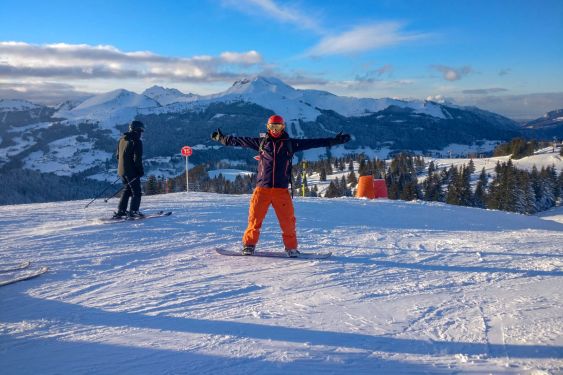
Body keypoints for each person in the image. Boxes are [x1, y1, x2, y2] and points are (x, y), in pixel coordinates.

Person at [211, 114, 351, 257]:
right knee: (254, 220)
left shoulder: (290, 143)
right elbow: (240, 141)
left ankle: (291, 248)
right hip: (262, 190)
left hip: (281, 191)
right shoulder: (261, 143)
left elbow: (314, 142)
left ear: (283, 127)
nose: (275, 130)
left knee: (288, 222)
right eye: (272, 127)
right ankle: (249, 245)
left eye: (278, 127)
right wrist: (222, 139)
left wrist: (334, 141)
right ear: (268, 127)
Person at [114, 120, 145, 218]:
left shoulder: (122, 139)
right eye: (141, 131)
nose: (141, 133)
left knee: (127, 190)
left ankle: (121, 211)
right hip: (131, 171)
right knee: (137, 192)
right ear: (137, 130)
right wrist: (140, 171)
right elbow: (137, 159)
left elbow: (117, 156)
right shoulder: (136, 141)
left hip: (121, 171)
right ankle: (134, 211)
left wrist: (123, 167)